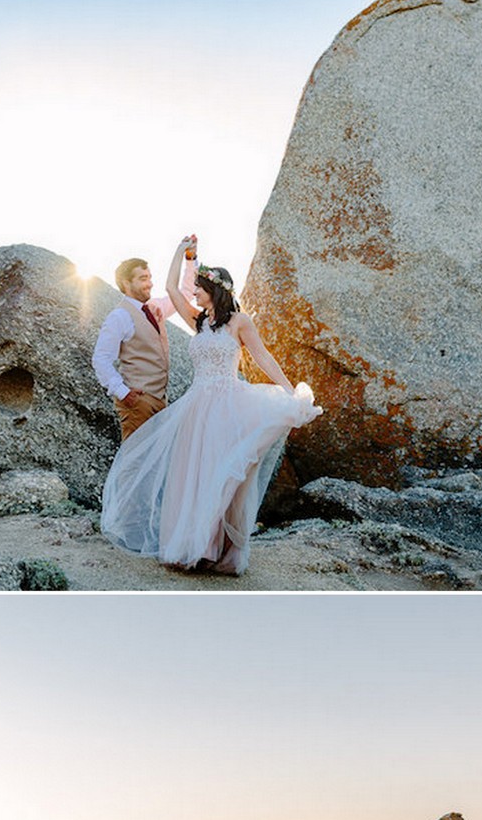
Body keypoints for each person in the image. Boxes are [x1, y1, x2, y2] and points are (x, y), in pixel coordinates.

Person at [101, 236, 321, 576]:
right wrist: (180, 252)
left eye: (200, 289)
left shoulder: (240, 323)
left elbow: (262, 358)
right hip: (196, 408)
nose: (195, 294)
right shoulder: (199, 321)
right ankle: (192, 546)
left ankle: (215, 548)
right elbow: (175, 289)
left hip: (227, 405)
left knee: (222, 476)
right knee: (193, 476)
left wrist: (290, 390)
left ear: (214, 290)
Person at [92, 246, 199, 444]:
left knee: (152, 465)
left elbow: (184, 294)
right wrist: (124, 393)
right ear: (126, 283)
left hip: (160, 401)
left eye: (149, 277)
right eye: (143, 279)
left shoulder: (155, 308)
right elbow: (101, 359)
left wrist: (190, 259)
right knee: (134, 464)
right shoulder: (119, 316)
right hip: (137, 402)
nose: (149, 284)